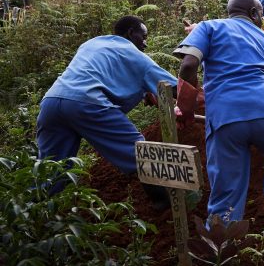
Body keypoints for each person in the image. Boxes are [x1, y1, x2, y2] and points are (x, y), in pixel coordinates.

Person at [174, 0, 264, 241]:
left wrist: (186, 110)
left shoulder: (209, 28)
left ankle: (222, 254)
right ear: (253, 13)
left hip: (227, 118)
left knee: (227, 185)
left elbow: (188, 66)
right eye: (261, 13)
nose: (263, 19)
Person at [36, 15, 176, 210]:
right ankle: (164, 206)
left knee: (51, 169)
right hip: (85, 103)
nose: (145, 43)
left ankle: (40, 219)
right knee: (140, 151)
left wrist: (143, 91)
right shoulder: (132, 52)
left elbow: (102, 74)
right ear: (130, 33)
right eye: (143, 37)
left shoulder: (92, 43)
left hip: (51, 103)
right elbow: (172, 87)